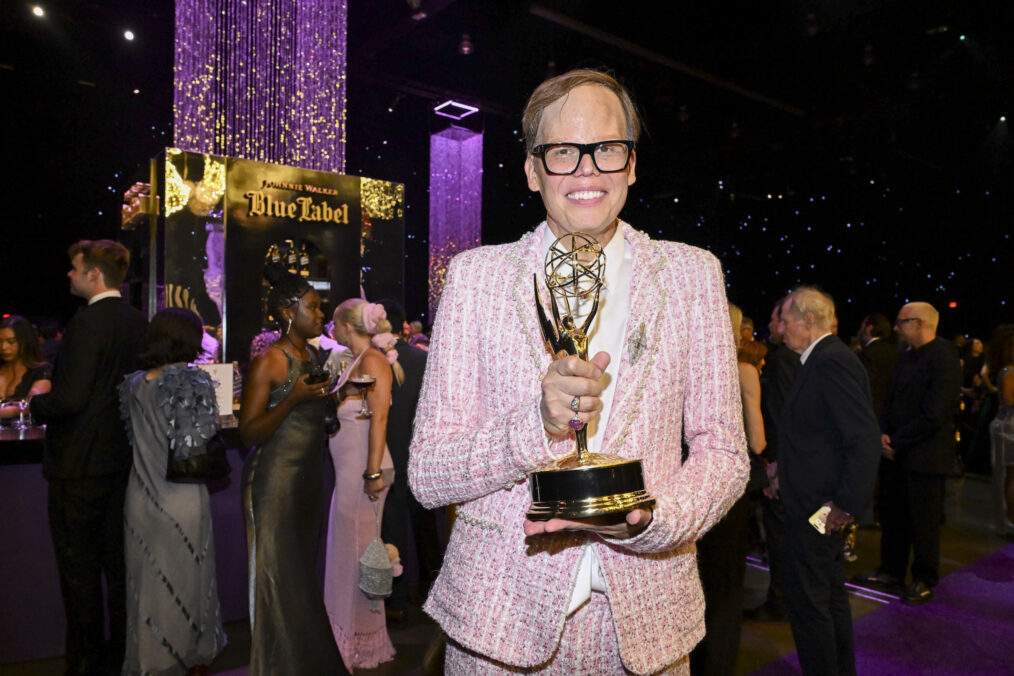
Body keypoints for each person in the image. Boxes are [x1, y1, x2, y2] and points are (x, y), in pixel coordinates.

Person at [409, 69, 748, 675]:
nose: (587, 170)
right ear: (533, 170)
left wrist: (653, 519)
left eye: (606, 150)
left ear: (632, 164)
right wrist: (535, 427)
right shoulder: (476, 278)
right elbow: (429, 475)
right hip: (498, 624)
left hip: (648, 622)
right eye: (563, 152)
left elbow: (724, 450)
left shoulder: (693, 276)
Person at [29, 239, 148, 675]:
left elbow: (71, 398)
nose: (69, 276)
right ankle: (119, 658)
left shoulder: (85, 323)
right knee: (117, 569)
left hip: (79, 465)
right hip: (121, 462)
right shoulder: (138, 321)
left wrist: (35, 402)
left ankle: (85, 664)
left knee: (78, 573)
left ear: (94, 275)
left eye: (75, 269)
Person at [238, 266, 345, 675]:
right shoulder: (270, 360)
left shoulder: (314, 356)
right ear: (287, 310)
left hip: (309, 480)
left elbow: (316, 420)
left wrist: (335, 396)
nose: (321, 314)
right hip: (274, 483)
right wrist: (295, 398)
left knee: (300, 579)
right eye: (313, 308)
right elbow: (248, 432)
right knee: (276, 581)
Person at [775, 287, 881, 676]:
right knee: (829, 596)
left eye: (785, 320)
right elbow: (818, 435)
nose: (781, 328)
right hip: (817, 505)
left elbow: (863, 438)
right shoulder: (819, 359)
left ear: (807, 320)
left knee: (810, 603)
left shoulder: (830, 360)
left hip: (819, 510)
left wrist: (843, 505)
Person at [119, 308, 226, 675]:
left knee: (146, 589)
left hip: (141, 497)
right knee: (188, 584)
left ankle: (150, 663)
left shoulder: (133, 383)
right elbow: (195, 443)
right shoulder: (193, 381)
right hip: (181, 498)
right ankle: (184, 660)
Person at [858, 302, 962, 605]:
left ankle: (923, 578)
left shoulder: (944, 356)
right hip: (898, 453)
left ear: (920, 323)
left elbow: (935, 413)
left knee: (924, 523)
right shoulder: (905, 356)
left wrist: (896, 441)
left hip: (925, 457)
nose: (895, 327)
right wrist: (884, 434)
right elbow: (890, 400)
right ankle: (891, 569)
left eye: (901, 321)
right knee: (893, 517)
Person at [691, 304, 765, 676]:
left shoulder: (690, 367)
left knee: (695, 582)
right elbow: (758, 439)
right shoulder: (742, 371)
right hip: (727, 487)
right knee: (723, 585)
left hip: (688, 485)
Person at [324, 298, 397, 671]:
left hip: (364, 473)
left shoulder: (373, 361)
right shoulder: (356, 360)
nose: (330, 329)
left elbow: (380, 417)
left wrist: (371, 473)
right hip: (349, 473)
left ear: (346, 326)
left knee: (359, 559)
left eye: (333, 323)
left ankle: (358, 643)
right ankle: (346, 638)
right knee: (349, 556)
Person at [376, 298, 439, 617]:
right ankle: (430, 588)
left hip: (384, 452)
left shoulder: (371, 360)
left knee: (390, 524)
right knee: (426, 526)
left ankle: (393, 598)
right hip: (420, 453)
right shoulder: (421, 359)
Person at [746, 297, 800, 623]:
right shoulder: (800, 359)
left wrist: (774, 466)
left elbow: (782, 417)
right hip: (798, 463)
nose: (771, 327)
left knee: (780, 536)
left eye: (776, 320)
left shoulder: (781, 361)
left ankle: (780, 600)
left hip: (783, 465)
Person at [987, 327, 1014, 537]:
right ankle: (1008, 521)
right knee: (1008, 476)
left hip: (1008, 426)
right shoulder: (1009, 371)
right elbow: (1009, 400)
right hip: (1008, 428)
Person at [0, 314, 52, 417]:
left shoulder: (42, 371)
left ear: (24, 343)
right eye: (0, 341)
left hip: (26, 432)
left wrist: (7, 412)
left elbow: (31, 407)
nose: (3, 347)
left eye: (11, 342)